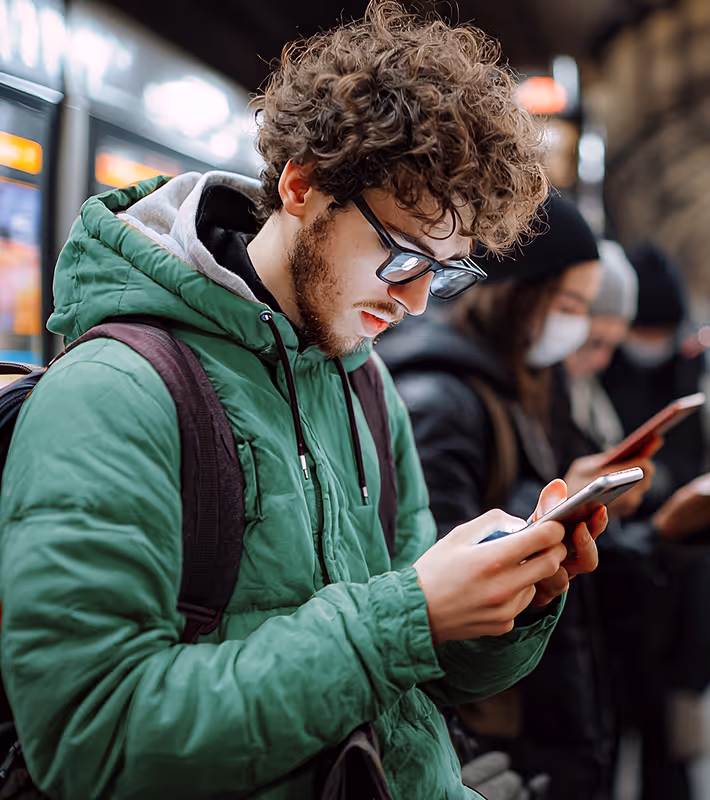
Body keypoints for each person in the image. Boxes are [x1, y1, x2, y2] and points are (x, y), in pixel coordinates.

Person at [0, 5, 609, 798]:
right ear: (303, 182)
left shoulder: (361, 380)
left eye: (448, 270)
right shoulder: (116, 394)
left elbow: (425, 678)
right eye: (402, 254)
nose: (419, 302)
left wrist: (507, 598)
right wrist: (407, 618)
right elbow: (94, 740)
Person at [379, 196, 655, 800]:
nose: (578, 329)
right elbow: (434, 572)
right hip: (498, 722)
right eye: (570, 306)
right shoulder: (443, 399)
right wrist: (552, 504)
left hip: (539, 698)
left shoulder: (527, 386)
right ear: (520, 291)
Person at [600, 242, 710, 800]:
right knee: (601, 753)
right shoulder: (591, 372)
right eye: (641, 328)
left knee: (670, 763)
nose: (648, 343)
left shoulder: (701, 369)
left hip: (679, 592)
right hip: (610, 587)